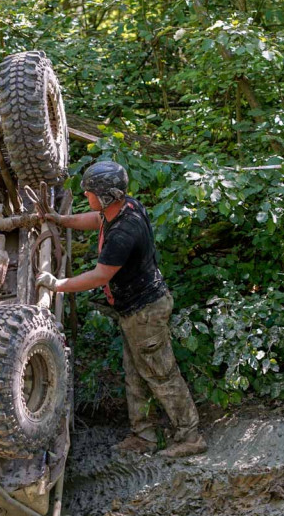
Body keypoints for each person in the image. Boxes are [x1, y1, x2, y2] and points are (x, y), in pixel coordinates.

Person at [35, 161, 207, 458]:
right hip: (134, 310)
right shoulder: (123, 208)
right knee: (135, 374)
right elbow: (96, 220)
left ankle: (190, 436)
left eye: (89, 193)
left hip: (145, 312)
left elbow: (100, 276)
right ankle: (144, 435)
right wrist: (61, 220)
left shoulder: (123, 234)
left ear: (105, 196)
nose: (85, 196)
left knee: (161, 374)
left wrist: (58, 284)